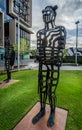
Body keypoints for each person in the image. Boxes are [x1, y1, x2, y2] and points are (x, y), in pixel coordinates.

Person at [32, 5, 66, 127]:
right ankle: (42, 109)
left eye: (48, 12)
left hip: (54, 65)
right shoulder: (40, 33)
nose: (46, 14)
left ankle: (52, 111)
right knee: (42, 89)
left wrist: (58, 59)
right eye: (44, 12)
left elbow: (61, 48)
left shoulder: (60, 30)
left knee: (51, 90)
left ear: (53, 15)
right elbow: (39, 48)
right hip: (43, 65)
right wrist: (38, 56)